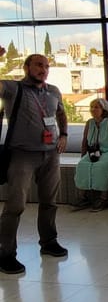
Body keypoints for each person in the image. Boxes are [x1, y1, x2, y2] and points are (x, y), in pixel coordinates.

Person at [0, 50, 69, 275]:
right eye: (39, 65)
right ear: (27, 68)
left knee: (50, 201)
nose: (43, 69)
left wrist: (64, 135)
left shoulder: (53, 91)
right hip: (23, 154)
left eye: (46, 66)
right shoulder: (14, 89)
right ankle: (6, 254)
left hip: (50, 154)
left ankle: (49, 242)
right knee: (16, 205)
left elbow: (61, 113)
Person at [74, 98, 108, 212]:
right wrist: (83, 156)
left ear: (104, 109)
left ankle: (104, 198)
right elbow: (84, 141)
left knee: (101, 167)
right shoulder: (90, 123)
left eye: (96, 107)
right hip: (93, 152)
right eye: (91, 107)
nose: (93, 109)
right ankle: (83, 197)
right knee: (82, 165)